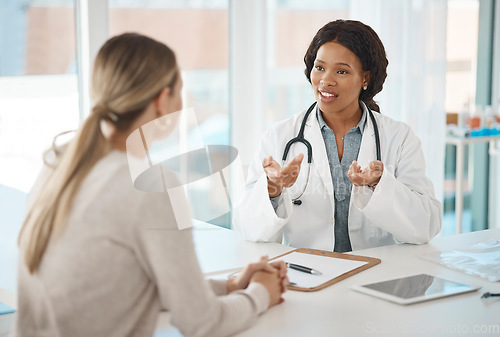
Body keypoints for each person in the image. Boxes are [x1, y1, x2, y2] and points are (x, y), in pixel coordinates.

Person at [15, 33, 288, 337]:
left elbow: (119, 288)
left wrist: (229, 286)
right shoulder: (151, 185)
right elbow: (202, 323)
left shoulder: (59, 164)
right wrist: (261, 293)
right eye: (180, 91)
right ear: (162, 100)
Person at [233, 19, 442, 252]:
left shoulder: (399, 137)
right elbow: (246, 227)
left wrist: (381, 186)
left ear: (365, 78)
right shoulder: (279, 137)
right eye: (320, 67)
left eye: (341, 71)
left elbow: (426, 226)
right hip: (309, 277)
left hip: (377, 278)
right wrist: (272, 190)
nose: (326, 80)